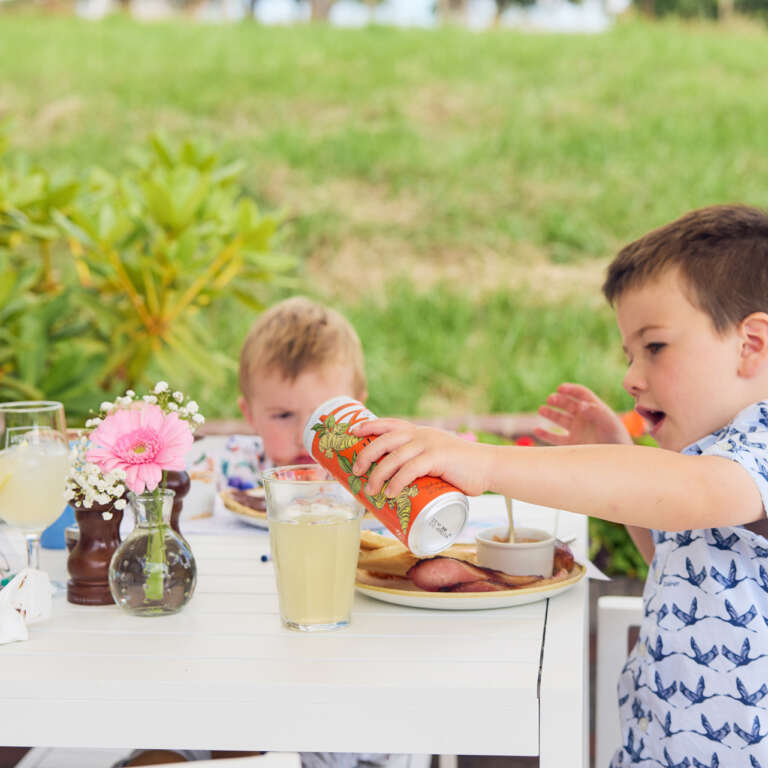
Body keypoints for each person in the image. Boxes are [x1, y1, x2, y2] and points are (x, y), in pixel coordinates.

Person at [349, 204, 768, 767]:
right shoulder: (715, 458)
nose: (630, 376)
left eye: (656, 346)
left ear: (751, 344)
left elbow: (691, 495)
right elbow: (677, 555)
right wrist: (619, 453)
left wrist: (483, 462)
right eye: (628, 353)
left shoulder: (754, 448)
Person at [116, 297, 395, 768]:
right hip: (218, 673)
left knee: (248, 745)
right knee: (162, 752)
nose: (307, 435)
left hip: (332, 694)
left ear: (358, 411)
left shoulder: (378, 478)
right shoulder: (221, 470)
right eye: (283, 416)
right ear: (249, 413)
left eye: (324, 416)